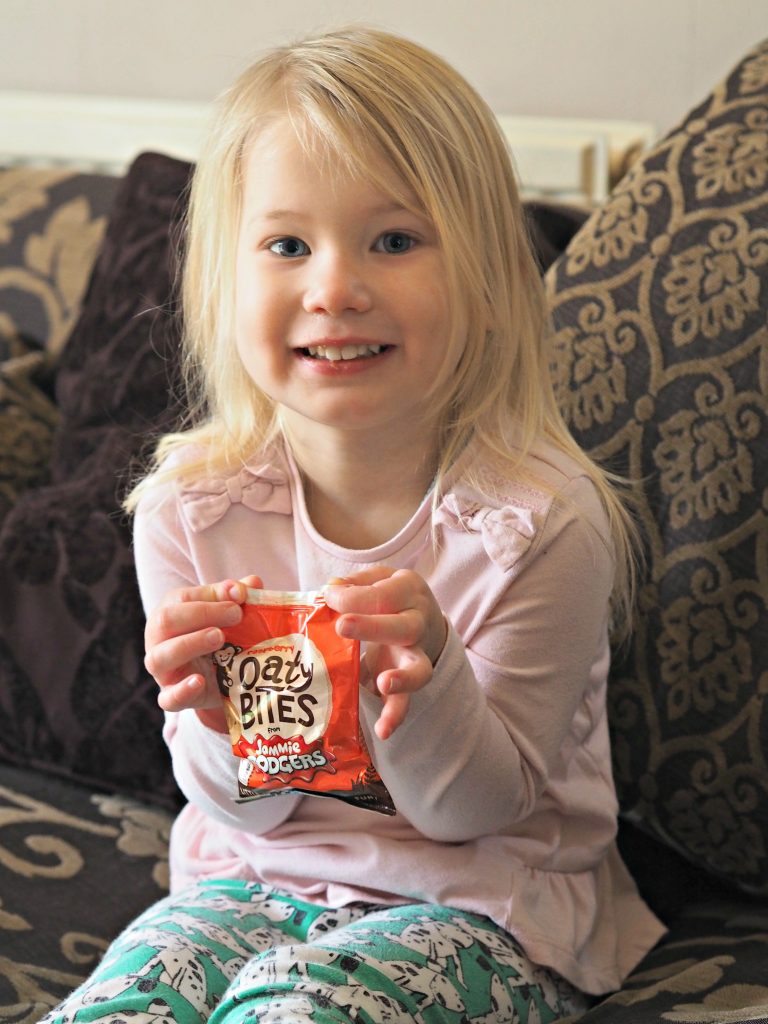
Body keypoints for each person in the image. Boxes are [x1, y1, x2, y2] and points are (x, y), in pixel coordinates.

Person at [41, 26, 665, 1024]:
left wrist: (427, 682)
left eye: (395, 240)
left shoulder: (537, 521)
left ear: (491, 283)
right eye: (288, 245)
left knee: (301, 1011)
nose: (334, 287)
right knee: (125, 1003)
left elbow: (477, 808)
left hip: (480, 904)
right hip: (245, 878)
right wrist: (212, 721)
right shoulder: (191, 511)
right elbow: (232, 803)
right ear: (225, 286)